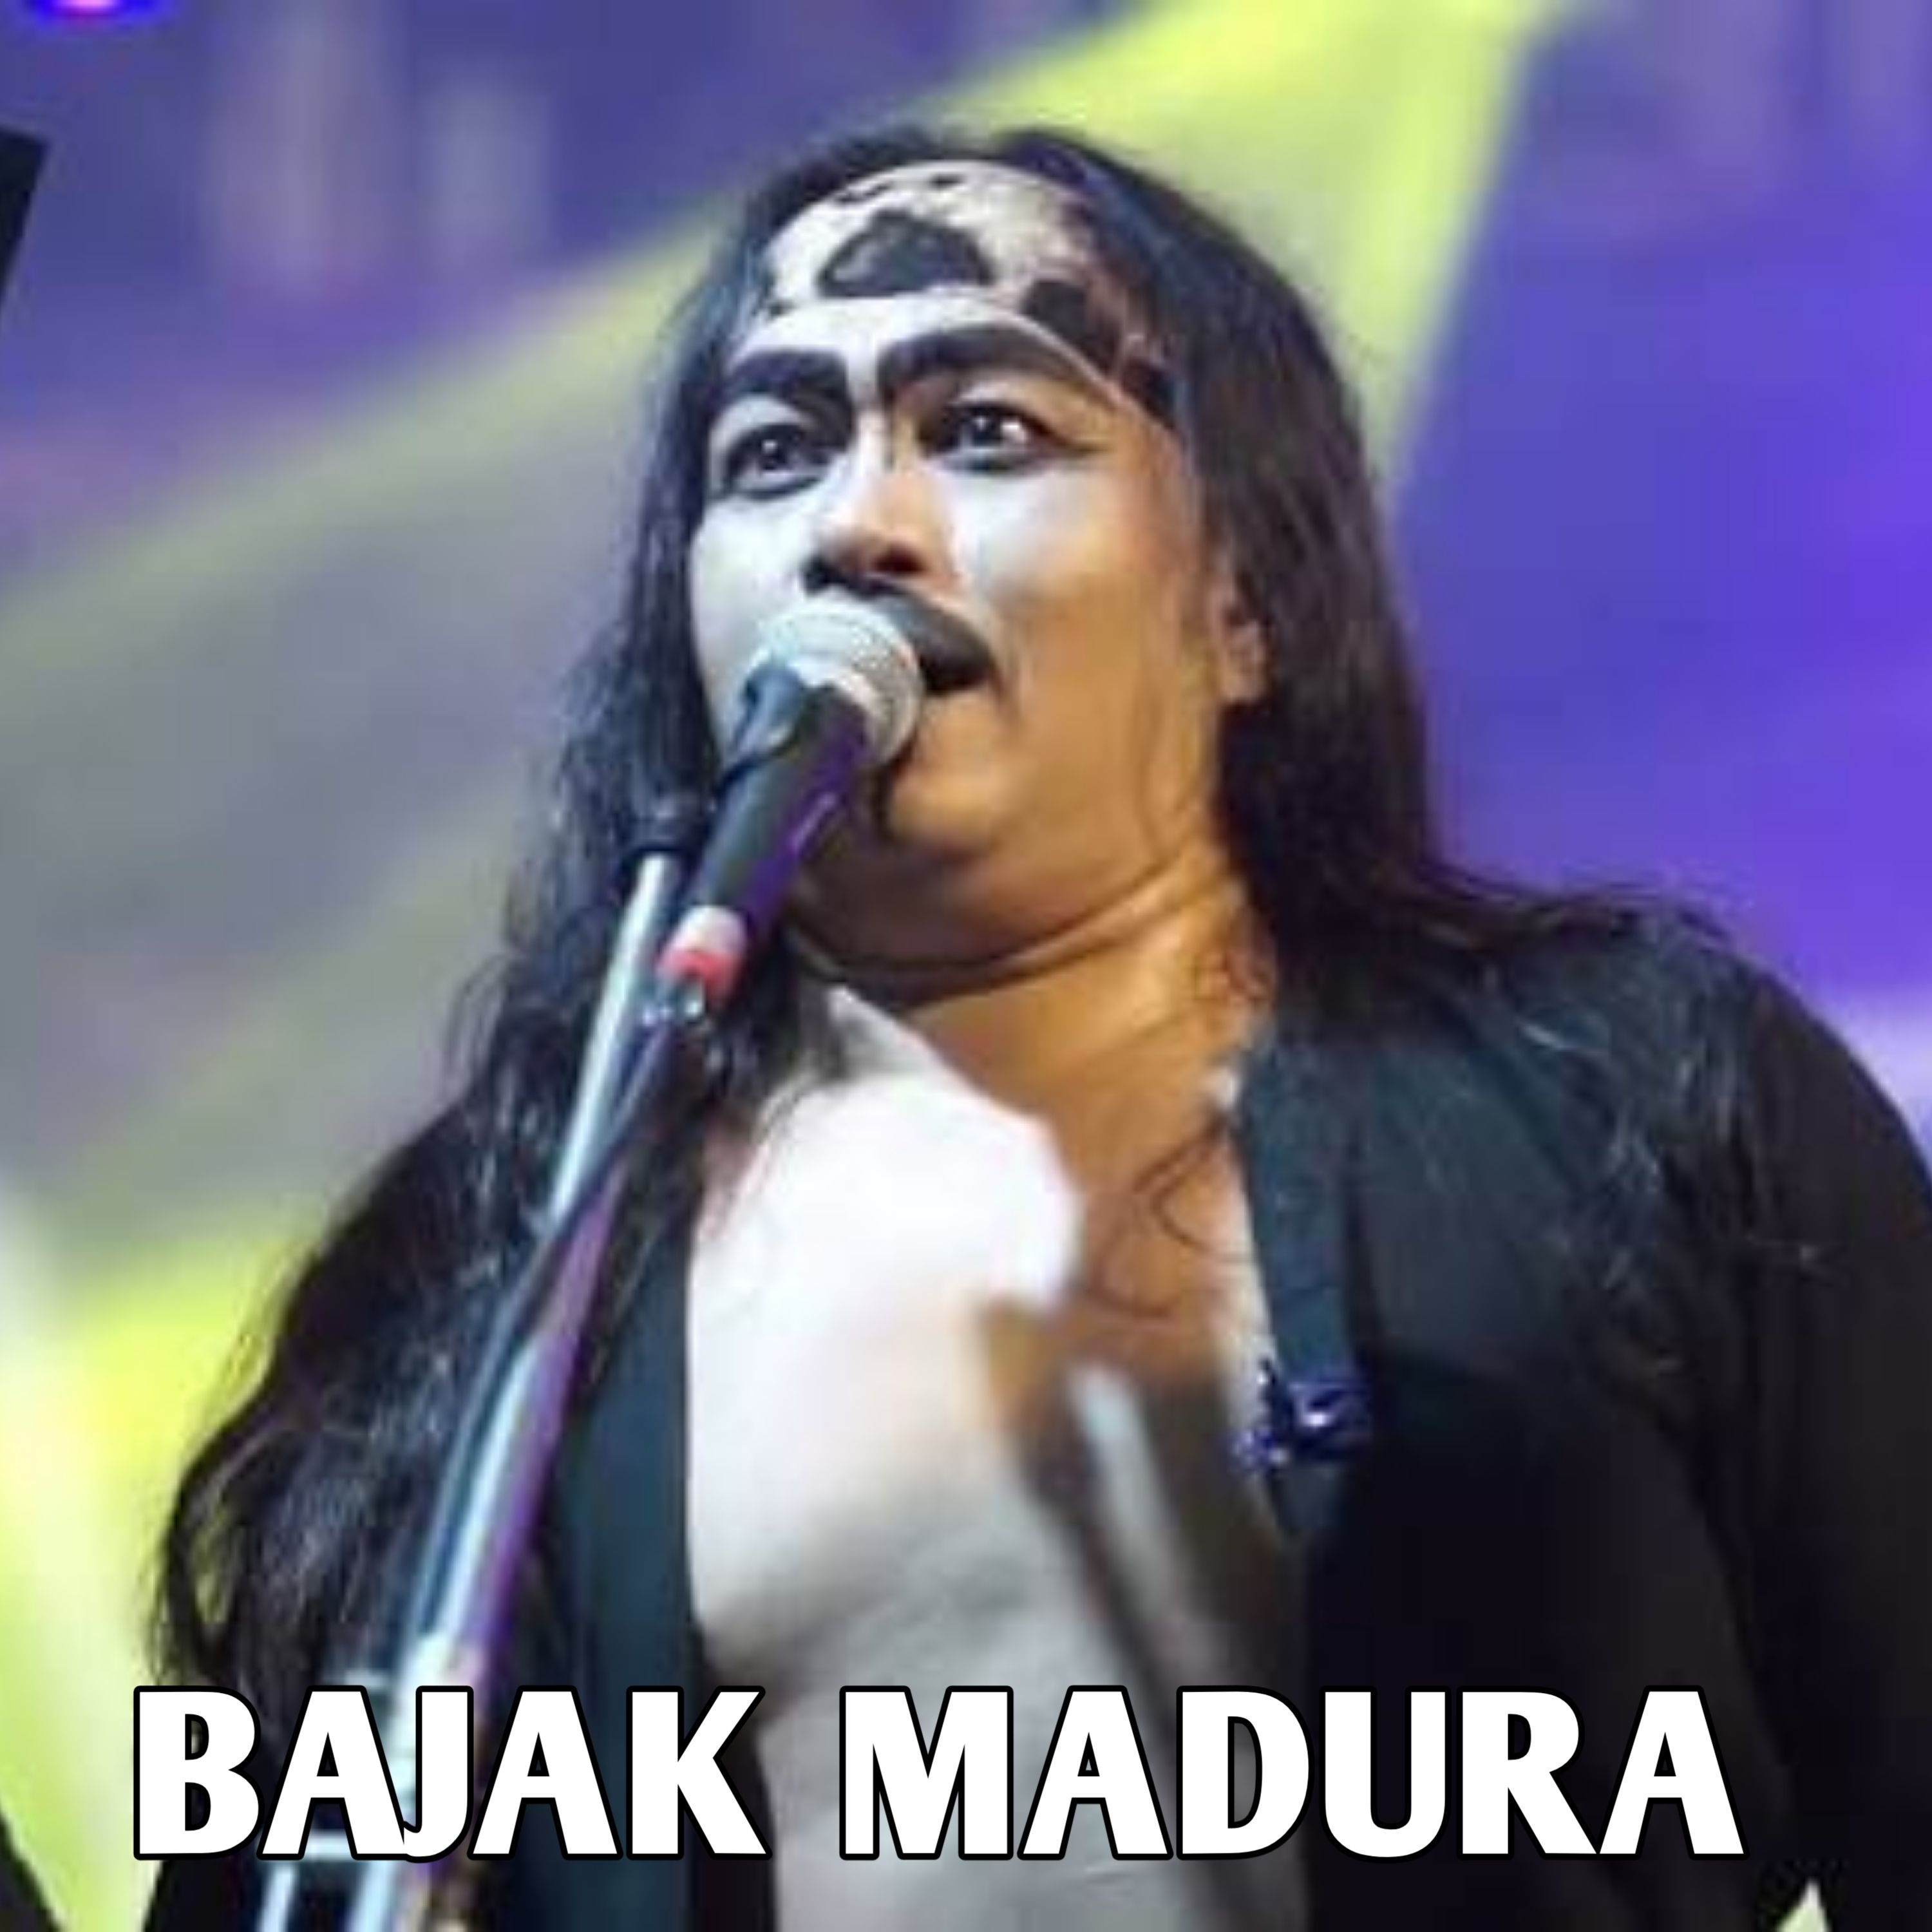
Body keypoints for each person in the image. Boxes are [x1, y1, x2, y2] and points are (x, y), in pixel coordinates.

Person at [145, 124, 1932, 1929]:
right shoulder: (501, 1275)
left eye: (988, 429)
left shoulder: (1642, 1101)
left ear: (1242, 602)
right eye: (773, 453)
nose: (857, 525)